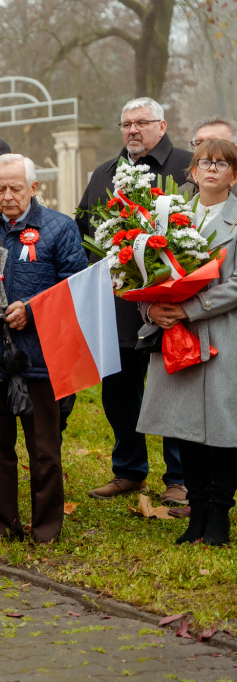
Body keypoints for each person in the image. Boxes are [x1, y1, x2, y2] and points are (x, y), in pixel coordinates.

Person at [0, 154, 86, 543]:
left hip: (39, 356)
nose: (7, 196)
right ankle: (2, 523)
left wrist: (33, 311)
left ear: (34, 188)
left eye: (15, 188)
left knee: (44, 447)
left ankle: (45, 528)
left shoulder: (60, 229)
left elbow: (73, 288)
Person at [77, 97, 188, 507]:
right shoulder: (104, 173)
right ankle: (129, 470)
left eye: (142, 122)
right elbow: (84, 232)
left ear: (162, 125)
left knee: (173, 391)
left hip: (172, 309)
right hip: (119, 309)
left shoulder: (186, 167)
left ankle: (179, 477)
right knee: (119, 393)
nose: (133, 130)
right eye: (126, 124)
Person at [138, 139, 237, 546]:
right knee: (185, 426)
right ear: (192, 172)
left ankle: (219, 515)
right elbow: (142, 274)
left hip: (223, 334)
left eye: (222, 163)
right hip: (174, 337)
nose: (211, 169)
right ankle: (195, 512)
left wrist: (191, 308)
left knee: (223, 426)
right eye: (204, 162)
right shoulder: (168, 216)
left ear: (234, 173)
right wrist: (151, 312)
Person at [179, 117, 237, 197]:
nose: (205, 148)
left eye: (214, 142)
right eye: (199, 143)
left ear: (234, 148)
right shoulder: (180, 196)